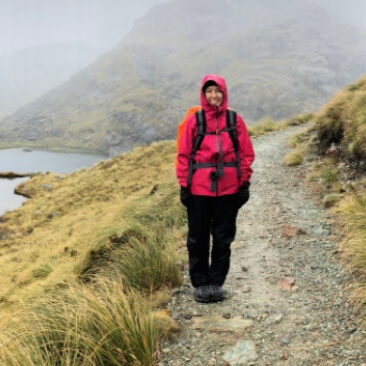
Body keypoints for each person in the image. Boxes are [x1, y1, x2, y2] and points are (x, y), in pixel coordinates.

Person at [176, 74, 255, 303]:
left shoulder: (234, 120)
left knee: (223, 237)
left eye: (217, 91)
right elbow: (184, 155)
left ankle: (216, 282)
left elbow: (246, 154)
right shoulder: (195, 120)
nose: (213, 96)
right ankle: (201, 283)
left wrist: (245, 183)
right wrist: (184, 185)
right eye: (209, 91)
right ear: (203, 94)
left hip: (229, 189)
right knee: (198, 238)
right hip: (199, 189)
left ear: (224, 93)